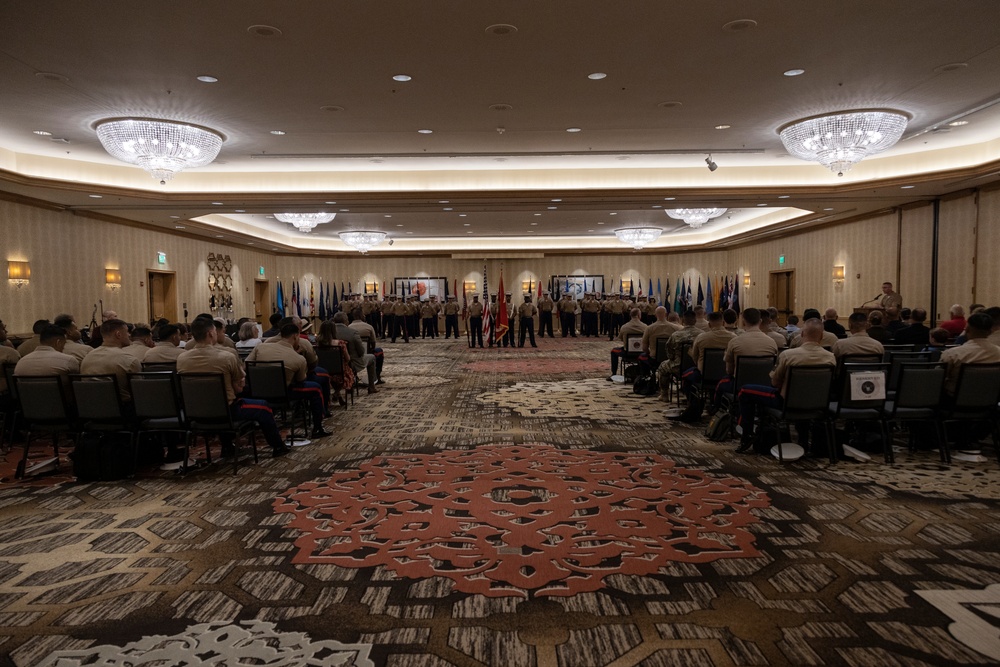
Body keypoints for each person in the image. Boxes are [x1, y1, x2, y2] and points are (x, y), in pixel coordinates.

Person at [177, 317, 290, 457]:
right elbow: (239, 386)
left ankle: (227, 446)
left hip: (195, 413)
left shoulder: (181, 359)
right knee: (264, 407)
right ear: (211, 334)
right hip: (228, 412)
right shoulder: (226, 356)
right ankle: (278, 447)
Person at [736, 320, 835, 453]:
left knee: (745, 390)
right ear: (822, 336)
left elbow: (775, 383)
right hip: (818, 405)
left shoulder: (788, 355)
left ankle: (746, 434)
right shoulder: (831, 358)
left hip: (786, 404)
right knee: (805, 394)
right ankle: (803, 441)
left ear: (802, 334)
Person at [247, 323, 330, 438]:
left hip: (258, 393)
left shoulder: (260, 347)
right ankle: (317, 427)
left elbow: (247, 365)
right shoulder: (298, 358)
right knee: (316, 388)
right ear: (296, 336)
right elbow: (301, 380)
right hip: (283, 394)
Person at [80, 319, 142, 403]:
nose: (129, 335)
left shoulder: (87, 357)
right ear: (118, 334)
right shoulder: (129, 360)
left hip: (90, 407)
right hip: (124, 410)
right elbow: (139, 392)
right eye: (127, 332)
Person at [14, 324, 79, 384]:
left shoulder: (20, 363)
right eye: (64, 344)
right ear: (58, 342)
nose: (63, 348)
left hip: (28, 396)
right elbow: (76, 386)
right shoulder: (68, 361)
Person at [333, 312, 379, 394]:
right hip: (352, 363)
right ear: (346, 321)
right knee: (372, 357)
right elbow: (361, 351)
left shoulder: (329, 334)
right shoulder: (353, 333)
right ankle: (371, 387)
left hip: (333, 364)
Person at [315, 320, 353, 405]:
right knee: (347, 374)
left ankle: (338, 397)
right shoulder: (340, 343)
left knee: (331, 375)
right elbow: (348, 358)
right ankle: (336, 393)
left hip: (322, 371)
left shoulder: (317, 343)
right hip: (340, 372)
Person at [638, 306, 680, 377]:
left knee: (641, 357)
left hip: (654, 360)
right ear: (666, 315)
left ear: (655, 315)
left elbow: (644, 348)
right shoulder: (675, 328)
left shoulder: (649, 328)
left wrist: (649, 352)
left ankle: (647, 377)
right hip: (670, 359)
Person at [608, 308, 646, 378]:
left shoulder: (625, 327)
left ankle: (614, 374)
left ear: (630, 316)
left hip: (628, 353)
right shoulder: (645, 327)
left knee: (614, 351)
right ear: (638, 315)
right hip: (641, 353)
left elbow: (621, 338)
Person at [349, 310, 384, 383]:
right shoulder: (369, 327)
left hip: (352, 355)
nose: (364, 316)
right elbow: (373, 342)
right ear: (360, 316)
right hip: (366, 353)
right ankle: (376, 376)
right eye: (363, 314)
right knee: (379, 351)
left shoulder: (349, 328)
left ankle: (354, 377)